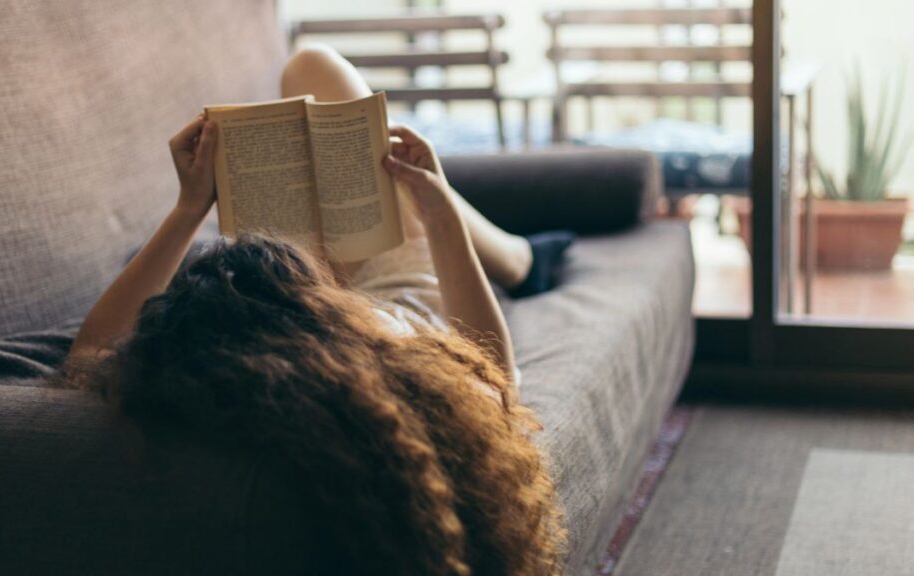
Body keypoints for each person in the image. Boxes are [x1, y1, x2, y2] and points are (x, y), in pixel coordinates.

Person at [60, 46, 569, 575]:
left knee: (309, 77)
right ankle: (520, 259)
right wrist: (441, 218)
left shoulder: (241, 362)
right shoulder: (403, 371)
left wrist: (190, 208)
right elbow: (497, 375)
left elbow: (87, 357)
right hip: (402, 282)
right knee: (314, 68)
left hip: (306, 298)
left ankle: (513, 254)